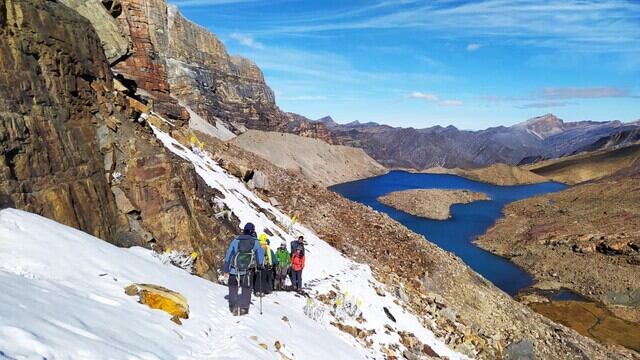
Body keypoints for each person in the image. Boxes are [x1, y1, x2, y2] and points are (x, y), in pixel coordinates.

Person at [223, 223, 264, 316]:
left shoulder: (236, 240)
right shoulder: (256, 242)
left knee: (233, 287)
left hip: (234, 269)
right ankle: (244, 308)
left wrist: (226, 269)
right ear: (253, 231)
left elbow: (229, 255)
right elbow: (260, 257)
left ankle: (232, 306)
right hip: (247, 271)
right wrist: (260, 266)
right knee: (246, 289)